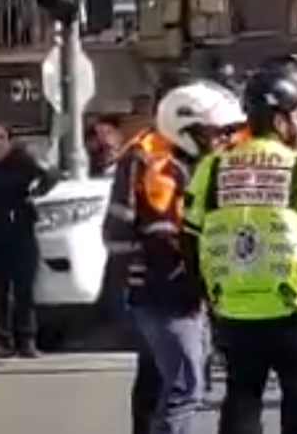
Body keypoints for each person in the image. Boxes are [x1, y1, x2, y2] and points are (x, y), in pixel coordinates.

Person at [180, 67, 297, 434]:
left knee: (241, 398)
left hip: (233, 310)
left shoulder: (212, 167)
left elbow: (190, 236)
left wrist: (208, 296)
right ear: (280, 118)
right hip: (294, 307)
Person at [103, 81, 246, 434]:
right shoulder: (143, 157)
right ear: (185, 127)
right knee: (173, 384)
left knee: (173, 381)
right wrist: (139, 278)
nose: (221, 139)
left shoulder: (202, 160)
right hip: (160, 288)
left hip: (189, 287)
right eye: (213, 132)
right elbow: (119, 230)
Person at [0, 123, 57, 357]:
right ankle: (3, 338)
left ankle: (27, 339)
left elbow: (50, 176)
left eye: (1, 138)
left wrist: (35, 193)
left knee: (24, 288)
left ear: (9, 141)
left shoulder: (23, 161)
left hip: (20, 230)